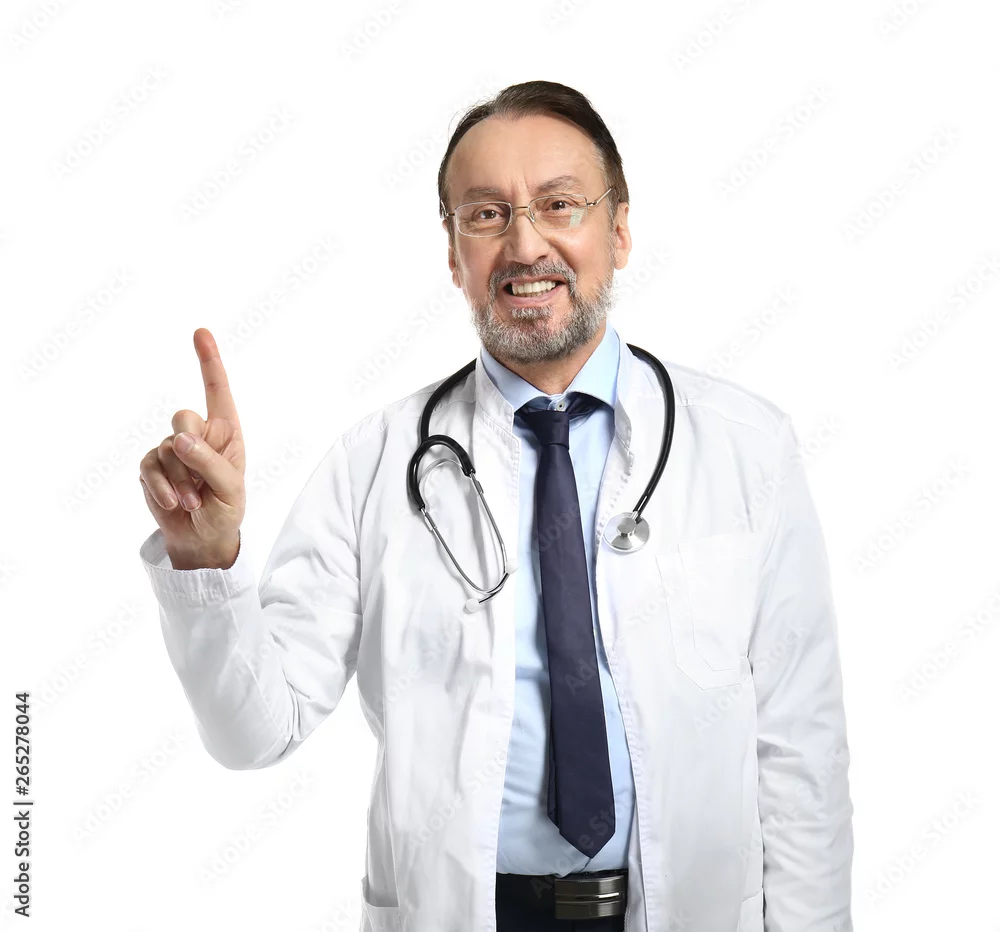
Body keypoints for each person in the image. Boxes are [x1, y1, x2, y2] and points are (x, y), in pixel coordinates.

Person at [137, 80, 854, 932]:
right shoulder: (374, 464)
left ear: (620, 230)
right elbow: (256, 731)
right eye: (485, 215)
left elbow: (801, 752)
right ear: (453, 253)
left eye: (560, 204)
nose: (525, 244)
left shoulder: (747, 447)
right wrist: (206, 560)